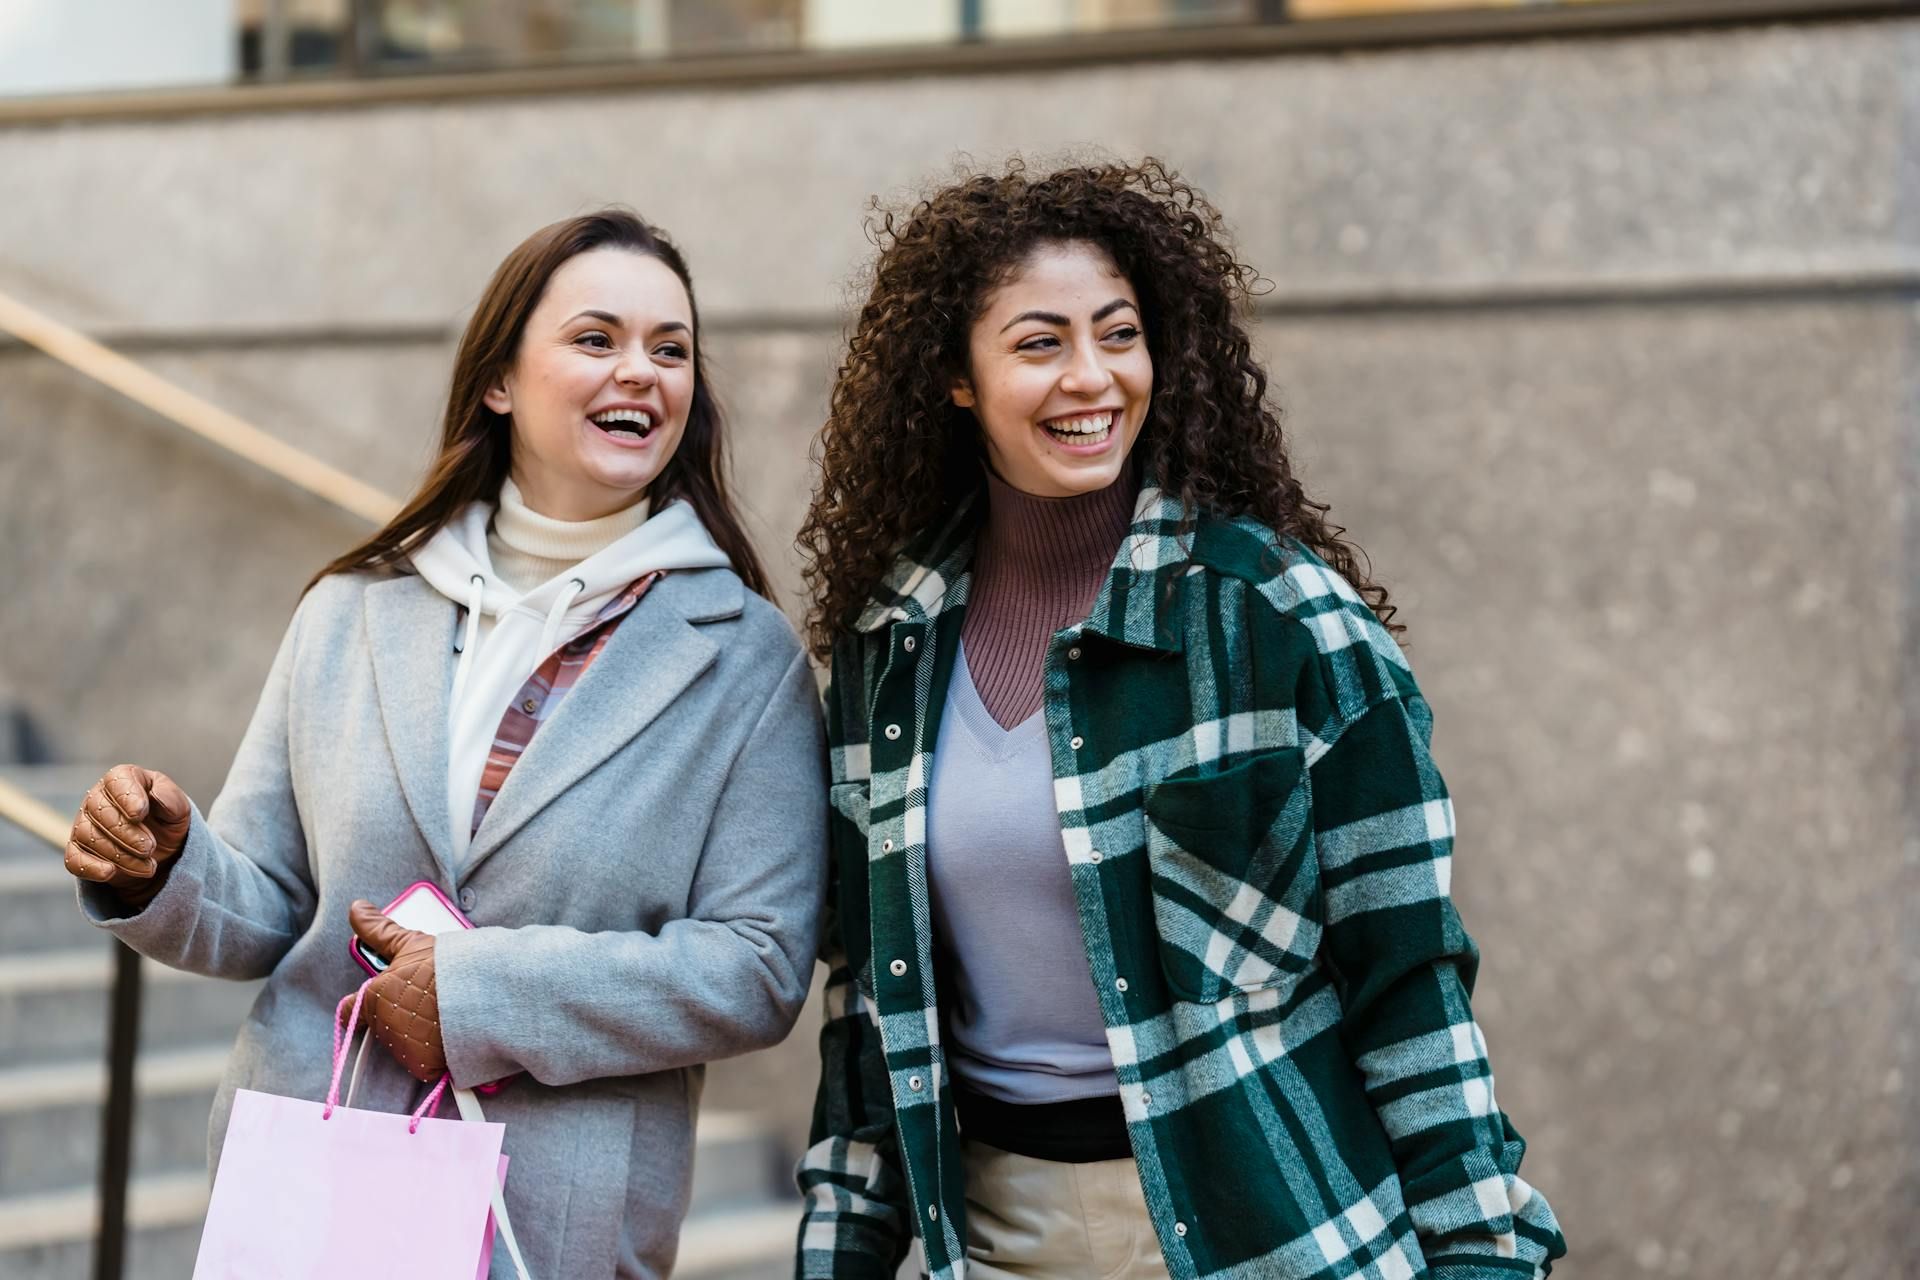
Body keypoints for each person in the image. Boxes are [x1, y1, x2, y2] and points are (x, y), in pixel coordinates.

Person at [792, 160, 1565, 1280]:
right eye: (1040, 343)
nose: (1091, 376)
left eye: (1119, 335)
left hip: (1281, 1235)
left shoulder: (1279, 619)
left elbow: (1410, 981)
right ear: (955, 378)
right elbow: (870, 1012)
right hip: (1001, 1237)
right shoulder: (890, 649)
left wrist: (1485, 1252)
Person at [63, 209, 828, 1279]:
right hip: (309, 1202)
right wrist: (162, 865)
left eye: (671, 349)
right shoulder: (352, 608)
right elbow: (269, 905)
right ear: (499, 380)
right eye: (597, 338)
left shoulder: (747, 658)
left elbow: (759, 965)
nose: (641, 372)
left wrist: (477, 996)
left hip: (550, 1224)